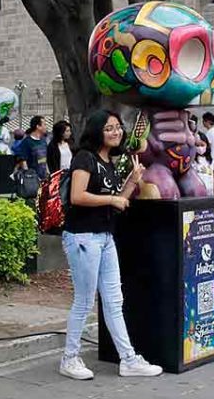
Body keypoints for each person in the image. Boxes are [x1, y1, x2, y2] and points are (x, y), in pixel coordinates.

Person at [60, 110, 163, 381]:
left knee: (115, 300)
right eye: (109, 128)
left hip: (105, 237)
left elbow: (117, 202)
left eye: (118, 127)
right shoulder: (85, 158)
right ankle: (69, 358)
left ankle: (128, 359)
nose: (116, 132)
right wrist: (111, 201)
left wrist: (130, 183)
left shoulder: (109, 162)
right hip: (83, 237)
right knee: (83, 301)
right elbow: (78, 196)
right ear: (97, 131)